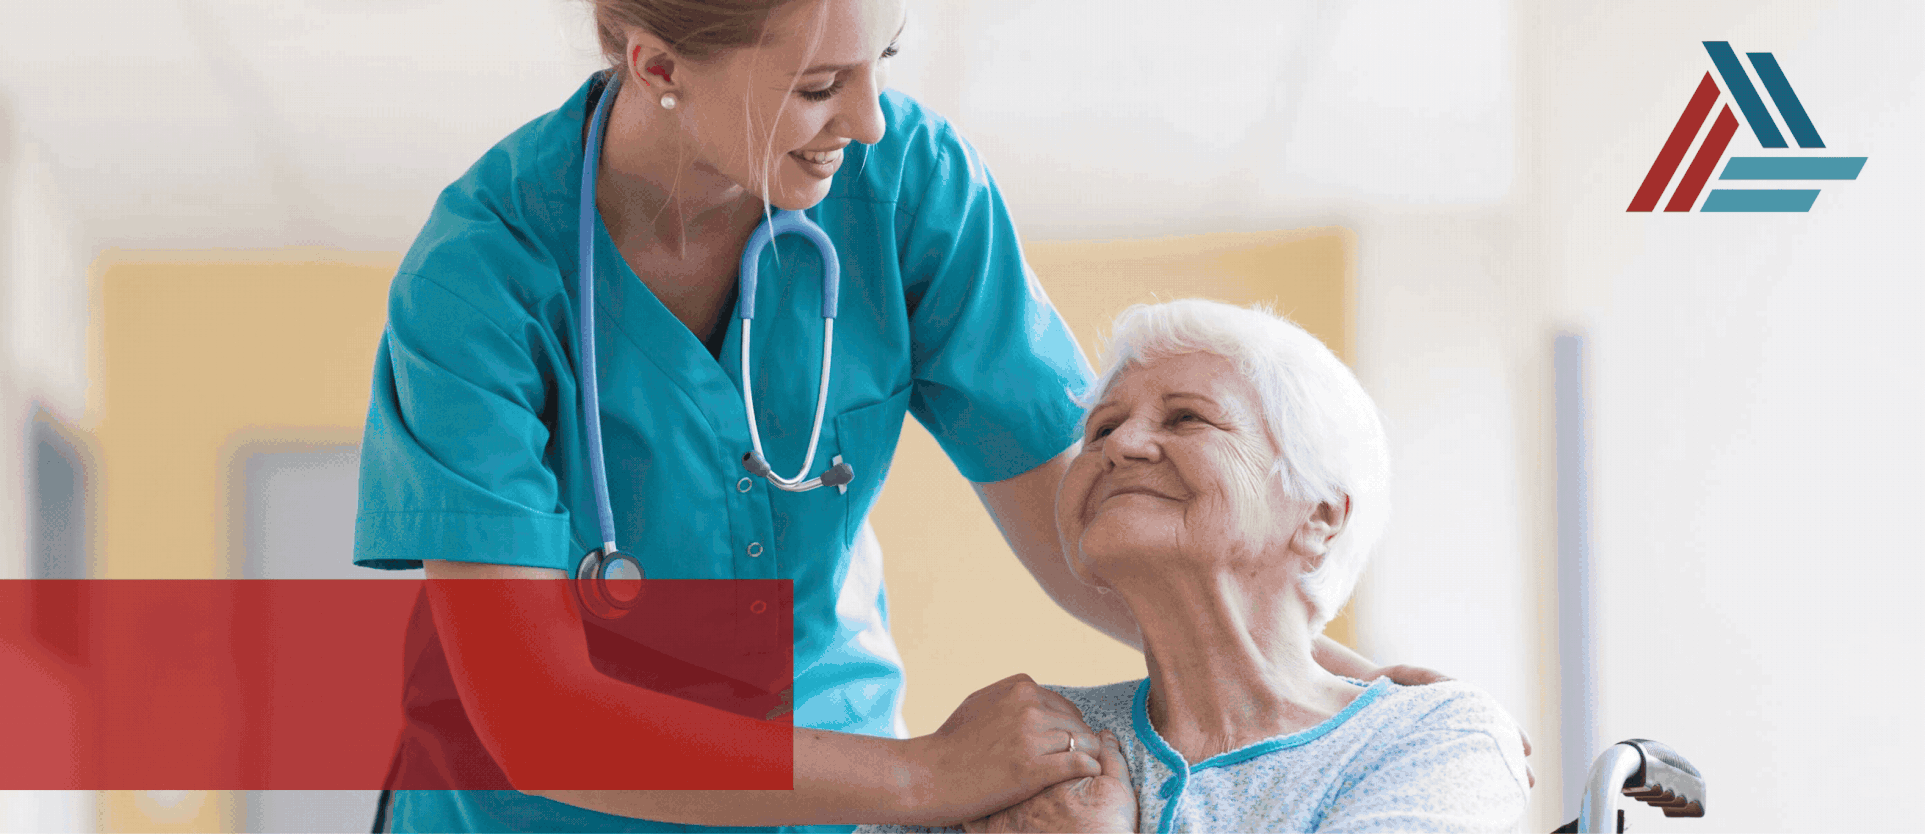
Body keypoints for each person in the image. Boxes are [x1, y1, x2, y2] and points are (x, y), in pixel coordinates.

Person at [351, 1, 1473, 830]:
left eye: (879, 62)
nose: (871, 121)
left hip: (817, 777)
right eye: (815, 86)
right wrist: (919, 779)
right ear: (656, 67)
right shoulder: (480, 278)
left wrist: (1328, 686)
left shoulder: (907, 191)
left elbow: (1097, 522)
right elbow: (535, 713)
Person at [858, 300, 1532, 834]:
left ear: (1320, 515)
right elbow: (746, 759)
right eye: (1099, 430)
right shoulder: (1016, 744)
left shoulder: (1428, 737)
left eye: (1185, 419)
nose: (1120, 444)